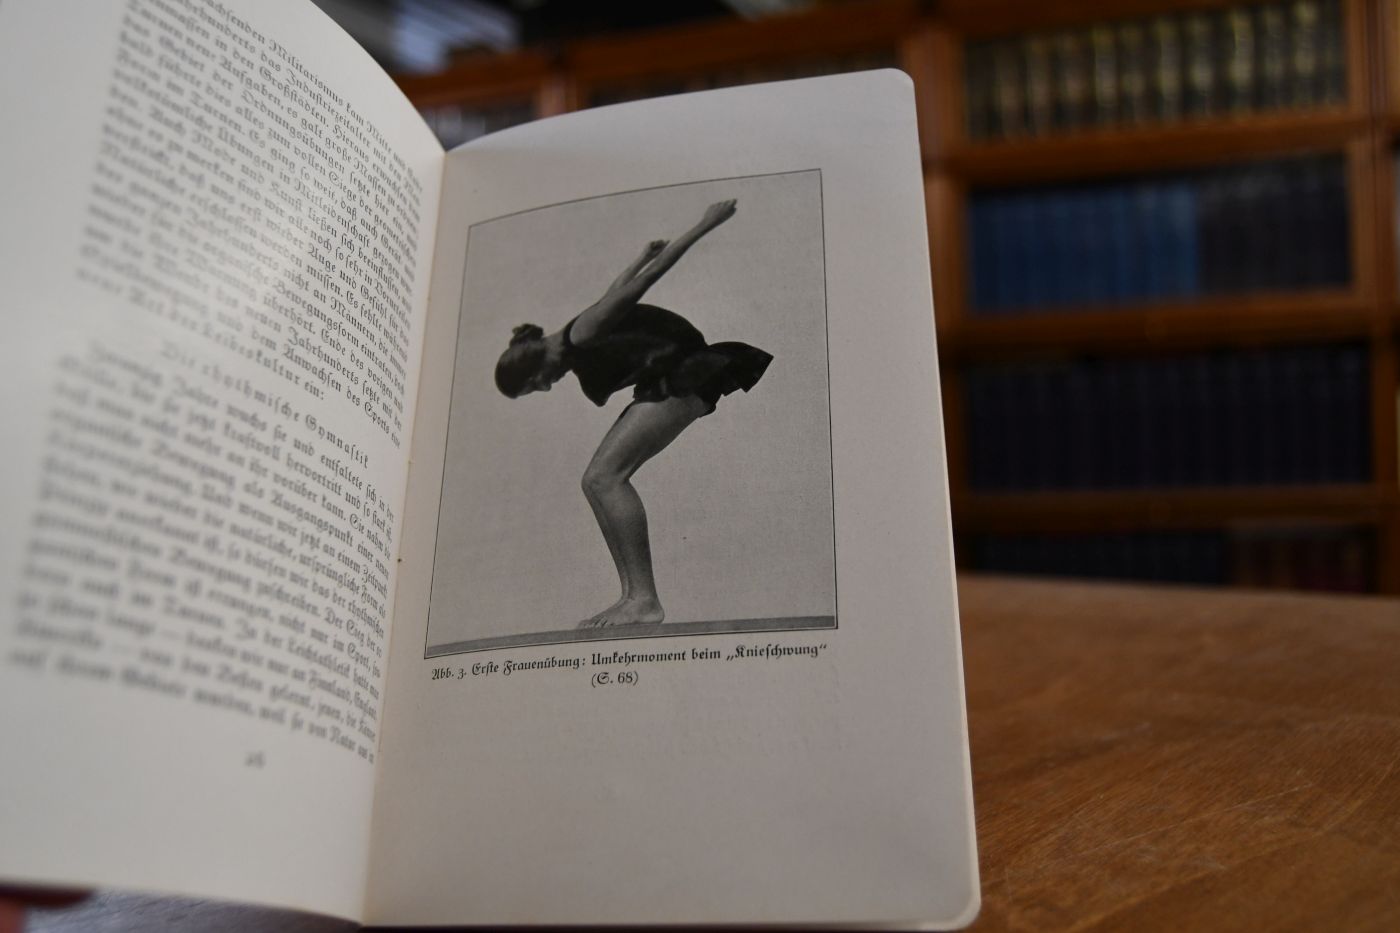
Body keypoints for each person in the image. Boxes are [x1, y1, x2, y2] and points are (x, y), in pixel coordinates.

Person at [494, 198, 771, 629]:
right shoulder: (577, 331)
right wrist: (641, 255)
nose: (546, 388)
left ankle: (644, 600)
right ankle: (631, 598)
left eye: (537, 383)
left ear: (534, 363)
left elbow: (647, 282)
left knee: (606, 478)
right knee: (595, 481)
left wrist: (705, 222)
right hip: (668, 381)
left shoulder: (581, 331)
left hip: (686, 375)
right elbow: (615, 292)